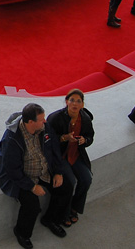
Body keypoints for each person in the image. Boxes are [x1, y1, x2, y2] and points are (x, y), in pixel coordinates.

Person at [0, 103, 72, 248]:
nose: (45, 121)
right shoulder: (11, 139)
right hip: (22, 178)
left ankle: (50, 219)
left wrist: (58, 172)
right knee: (31, 205)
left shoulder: (44, 127)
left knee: (66, 187)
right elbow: (12, 170)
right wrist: (31, 186)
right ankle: (22, 233)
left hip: (43, 170)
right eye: (41, 119)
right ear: (31, 122)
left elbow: (55, 148)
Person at [47, 90, 94, 227]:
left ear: (82, 105)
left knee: (86, 179)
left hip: (75, 155)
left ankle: (75, 208)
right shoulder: (55, 118)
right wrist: (64, 138)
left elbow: (90, 137)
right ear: (66, 102)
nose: (75, 104)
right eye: (72, 100)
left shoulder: (85, 119)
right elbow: (48, 141)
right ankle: (64, 213)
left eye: (78, 101)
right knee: (70, 182)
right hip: (61, 157)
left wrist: (84, 140)